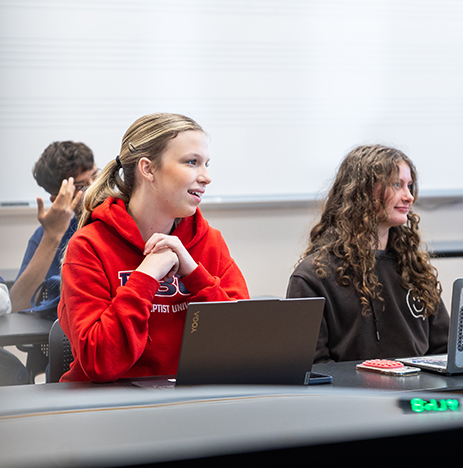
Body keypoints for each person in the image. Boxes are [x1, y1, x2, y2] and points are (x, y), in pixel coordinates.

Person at [59, 113, 250, 383]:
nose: (206, 177)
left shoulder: (209, 242)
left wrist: (194, 274)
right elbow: (99, 362)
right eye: (192, 162)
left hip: (190, 405)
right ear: (148, 169)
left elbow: (245, 346)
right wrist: (146, 276)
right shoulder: (89, 246)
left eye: (206, 164)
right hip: (110, 407)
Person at [286, 144, 449, 363]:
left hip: (417, 396)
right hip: (354, 397)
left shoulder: (414, 267)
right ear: (362, 191)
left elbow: (444, 351)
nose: (408, 196)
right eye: (396, 185)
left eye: (409, 186)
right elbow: (314, 368)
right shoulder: (312, 276)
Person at [10, 141, 97, 319]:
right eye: (82, 186)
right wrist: (52, 236)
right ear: (58, 198)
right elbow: (16, 305)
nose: (95, 187)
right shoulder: (46, 236)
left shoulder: (124, 220)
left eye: (96, 175)